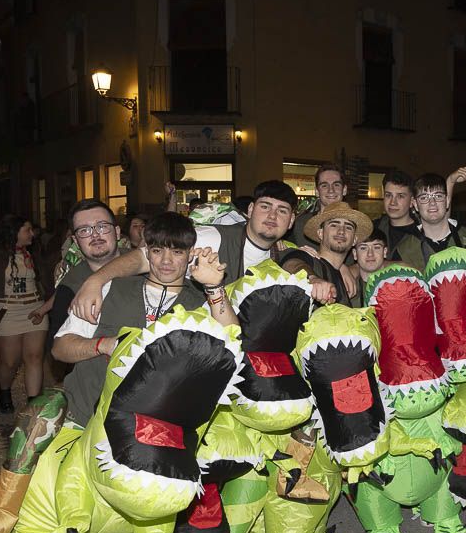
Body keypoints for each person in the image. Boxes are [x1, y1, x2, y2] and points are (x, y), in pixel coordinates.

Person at [53, 212, 234, 430]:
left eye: (177, 252)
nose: (166, 261)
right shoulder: (111, 289)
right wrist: (103, 345)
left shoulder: (201, 304)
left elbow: (233, 340)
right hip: (85, 419)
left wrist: (214, 287)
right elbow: (60, 348)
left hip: (155, 430)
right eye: (157, 251)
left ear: (190, 254)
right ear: (146, 252)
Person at [70, 181, 304, 322]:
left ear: (292, 220)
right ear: (250, 210)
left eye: (282, 211)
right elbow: (142, 258)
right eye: (265, 207)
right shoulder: (212, 237)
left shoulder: (286, 255)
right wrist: (96, 280)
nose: (272, 216)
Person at [0, 216, 55, 413]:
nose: (32, 233)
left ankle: (33, 405)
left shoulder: (34, 253)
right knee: (10, 362)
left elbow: (47, 281)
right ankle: (4, 390)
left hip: (34, 310)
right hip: (7, 311)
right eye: (27, 229)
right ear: (14, 232)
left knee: (35, 357)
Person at [392, 173, 466, 285]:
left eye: (438, 196)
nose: (432, 203)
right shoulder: (404, 251)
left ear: (447, 200)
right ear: (415, 204)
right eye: (424, 197)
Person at [46, 200, 123, 344]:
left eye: (102, 227)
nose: (94, 235)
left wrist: (97, 279)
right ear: (75, 241)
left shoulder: (148, 264)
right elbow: (57, 347)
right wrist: (102, 346)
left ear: (117, 232)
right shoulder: (69, 286)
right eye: (84, 230)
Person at [280, 201, 373, 306]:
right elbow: (292, 263)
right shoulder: (308, 258)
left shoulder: (343, 278)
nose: (341, 231)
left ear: (354, 240)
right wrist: (312, 278)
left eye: (348, 227)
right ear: (320, 233)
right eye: (334, 225)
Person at [291, 163, 345, 248]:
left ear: (344, 190)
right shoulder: (300, 225)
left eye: (336, 185)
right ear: (316, 191)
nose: (331, 190)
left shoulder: (355, 225)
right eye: (324, 185)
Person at [376, 170, 421, 249]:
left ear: (412, 201)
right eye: (388, 195)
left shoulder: (422, 233)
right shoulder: (374, 228)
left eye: (400, 196)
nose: (393, 202)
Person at [348, 228, 389, 307]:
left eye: (376, 247)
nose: (370, 254)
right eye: (363, 248)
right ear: (355, 254)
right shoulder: (347, 288)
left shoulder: (398, 285)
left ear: (384, 252)